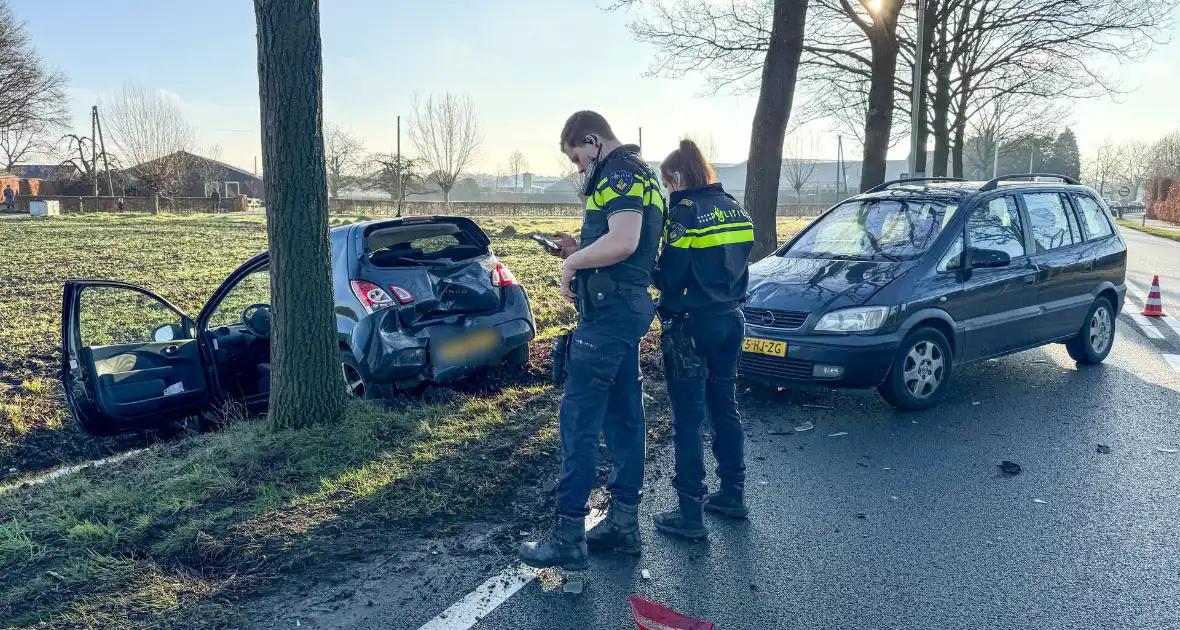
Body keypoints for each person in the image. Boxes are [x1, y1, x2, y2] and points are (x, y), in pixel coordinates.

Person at [518, 111, 665, 570]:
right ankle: (623, 524)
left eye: (578, 158)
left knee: (579, 421)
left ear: (591, 139)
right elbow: (627, 246)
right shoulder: (645, 175)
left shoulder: (617, 174)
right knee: (625, 416)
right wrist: (579, 250)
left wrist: (571, 264)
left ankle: (568, 536)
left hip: (608, 317)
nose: (580, 169)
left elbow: (623, 242)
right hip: (625, 310)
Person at [650, 139, 754, 540]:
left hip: (691, 327)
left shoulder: (685, 213)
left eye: (666, 182)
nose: (667, 190)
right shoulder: (734, 206)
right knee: (724, 408)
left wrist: (647, 271)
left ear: (677, 177)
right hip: (732, 319)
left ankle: (689, 513)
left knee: (688, 419)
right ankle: (733, 494)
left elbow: (671, 275)